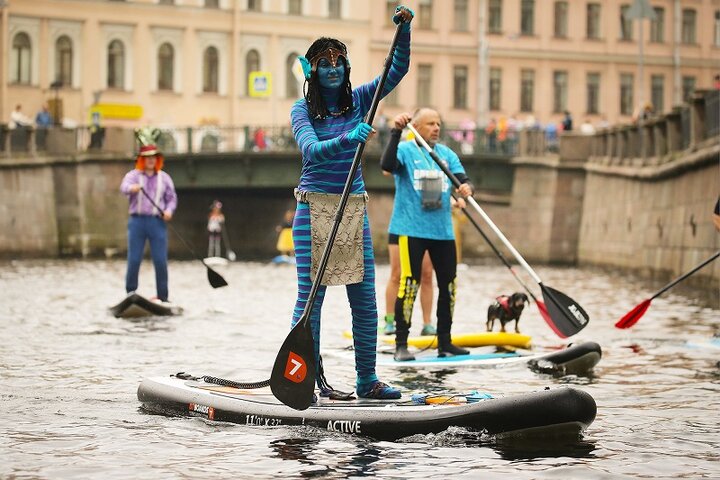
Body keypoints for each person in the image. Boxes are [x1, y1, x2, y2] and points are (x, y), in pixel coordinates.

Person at [289, 5, 413, 400]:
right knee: (312, 298)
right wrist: (349, 139)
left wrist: (404, 30)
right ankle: (303, 378)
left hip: (352, 209)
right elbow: (311, 150)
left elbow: (397, 70)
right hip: (314, 209)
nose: (332, 69)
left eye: (339, 62)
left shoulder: (361, 99)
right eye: (323, 63)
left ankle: (367, 380)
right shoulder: (302, 109)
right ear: (311, 72)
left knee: (364, 298)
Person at [381, 108, 474, 361]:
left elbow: (463, 180)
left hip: (442, 232)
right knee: (409, 283)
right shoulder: (405, 150)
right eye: (430, 123)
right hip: (410, 230)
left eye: (438, 123)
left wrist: (467, 188)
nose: (436, 127)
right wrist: (396, 132)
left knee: (449, 285)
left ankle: (445, 341)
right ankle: (402, 344)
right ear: (417, 127)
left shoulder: (446, 154)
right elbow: (386, 165)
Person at [120, 143, 177, 302]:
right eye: (147, 158)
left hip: (156, 223)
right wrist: (132, 188)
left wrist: (168, 211)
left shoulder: (164, 178)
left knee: (160, 260)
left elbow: (171, 199)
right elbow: (123, 187)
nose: (151, 160)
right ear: (142, 160)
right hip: (137, 222)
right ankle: (131, 293)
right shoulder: (133, 176)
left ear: (157, 160)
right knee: (134, 259)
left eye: (153, 158)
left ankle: (163, 297)